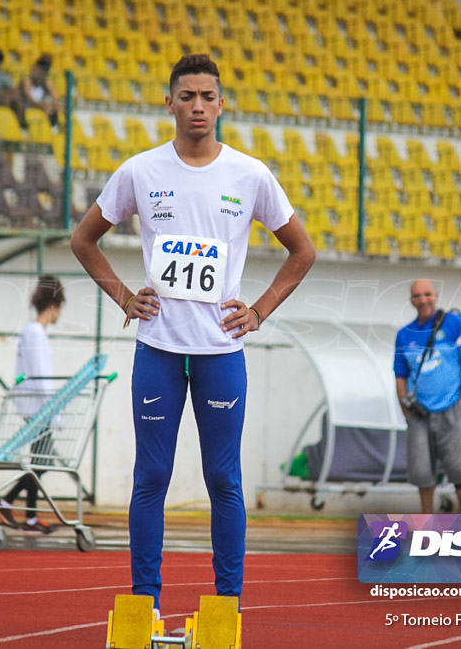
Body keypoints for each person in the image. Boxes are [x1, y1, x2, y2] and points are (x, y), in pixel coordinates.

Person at [71, 53, 315, 609]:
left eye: (208, 96)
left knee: (223, 479)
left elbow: (303, 251)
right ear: (170, 103)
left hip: (219, 352)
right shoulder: (140, 170)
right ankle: (144, 602)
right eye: (188, 97)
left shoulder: (250, 174)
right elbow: (84, 240)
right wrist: (125, 296)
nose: (198, 106)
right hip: (157, 346)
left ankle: (227, 603)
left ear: (221, 104)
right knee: (151, 475)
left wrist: (258, 311)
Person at [394, 279, 461, 515]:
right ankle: (427, 525)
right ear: (412, 301)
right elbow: (400, 374)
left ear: (436, 295)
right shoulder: (404, 335)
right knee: (423, 474)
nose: (423, 300)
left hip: (452, 408)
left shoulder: (454, 324)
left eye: (427, 294)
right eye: (417, 296)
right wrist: (406, 408)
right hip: (420, 414)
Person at [0, 276, 65, 534]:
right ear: (55, 306)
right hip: (37, 409)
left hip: (34, 407)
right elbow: (40, 378)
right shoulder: (35, 333)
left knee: (38, 459)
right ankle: (5, 501)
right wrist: (53, 412)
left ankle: (31, 516)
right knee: (41, 462)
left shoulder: (33, 332)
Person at [20, 54, 63, 128]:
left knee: (58, 108)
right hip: (25, 111)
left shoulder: (46, 83)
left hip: (39, 109)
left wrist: (55, 105)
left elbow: (56, 99)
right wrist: (43, 106)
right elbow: (30, 101)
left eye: (43, 70)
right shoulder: (27, 81)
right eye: (36, 69)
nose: (36, 71)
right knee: (48, 108)